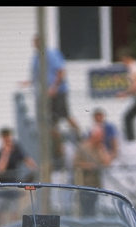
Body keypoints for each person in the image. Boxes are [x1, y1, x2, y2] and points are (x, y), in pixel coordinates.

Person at [30, 34, 81, 162]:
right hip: (47, 95)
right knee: (52, 122)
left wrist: (54, 87)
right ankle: (59, 150)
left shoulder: (51, 54)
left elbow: (61, 72)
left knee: (65, 114)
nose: (34, 45)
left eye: (36, 42)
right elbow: (35, 76)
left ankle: (79, 135)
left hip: (58, 92)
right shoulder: (36, 58)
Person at [73, 125, 113, 215]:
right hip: (84, 184)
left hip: (96, 185)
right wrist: (88, 166)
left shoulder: (100, 148)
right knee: (85, 209)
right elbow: (75, 164)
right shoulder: (83, 148)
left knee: (93, 209)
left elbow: (107, 163)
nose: (101, 139)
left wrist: (102, 150)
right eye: (99, 137)